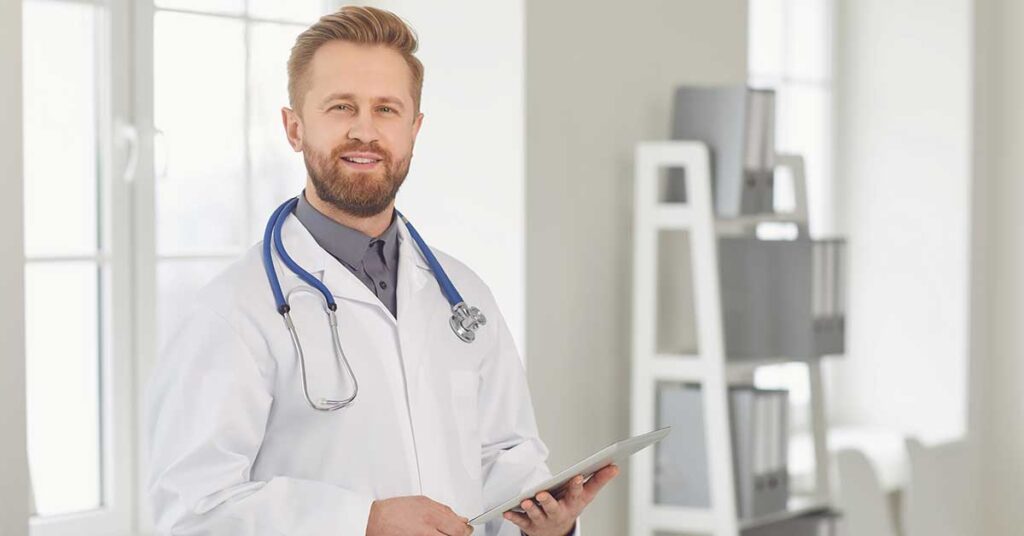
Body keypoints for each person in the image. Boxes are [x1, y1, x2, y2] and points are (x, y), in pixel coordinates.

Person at [145, 6, 617, 535]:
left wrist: (545, 525)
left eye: (387, 109)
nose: (364, 131)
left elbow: (502, 456)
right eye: (341, 106)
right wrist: (360, 523)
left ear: (415, 129)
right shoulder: (232, 311)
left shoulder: (463, 294)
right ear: (294, 127)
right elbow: (191, 511)